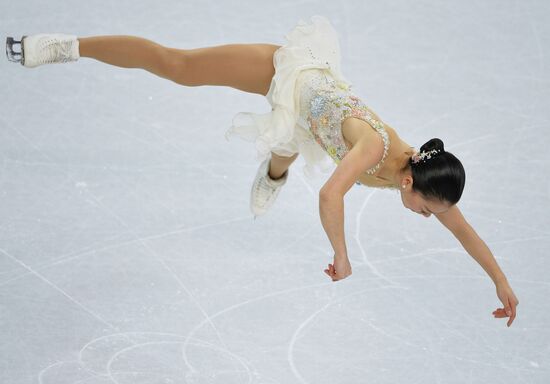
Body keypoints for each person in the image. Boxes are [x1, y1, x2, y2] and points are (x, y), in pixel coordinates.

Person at [6, 15, 519, 326]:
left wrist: (500, 282)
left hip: (312, 126)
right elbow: (329, 198)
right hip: (290, 81)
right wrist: (341, 255)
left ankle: (275, 171)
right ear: (409, 182)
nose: (429, 218)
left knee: (290, 140)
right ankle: (66, 46)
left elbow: (462, 227)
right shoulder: (372, 149)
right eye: (427, 211)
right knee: (179, 65)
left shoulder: (419, 177)